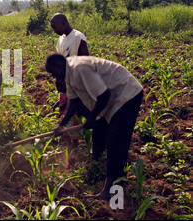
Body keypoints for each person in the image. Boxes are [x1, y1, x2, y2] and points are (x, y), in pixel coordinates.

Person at [45, 54, 143, 200]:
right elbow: (73, 101)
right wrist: (61, 125)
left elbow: (104, 95)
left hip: (126, 94)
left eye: (53, 74)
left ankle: (109, 189)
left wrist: (91, 118)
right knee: (99, 132)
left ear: (59, 66)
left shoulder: (80, 68)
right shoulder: (69, 72)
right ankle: (96, 169)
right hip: (112, 100)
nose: (55, 78)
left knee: (116, 141)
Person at [50, 13, 89, 137]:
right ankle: (68, 143)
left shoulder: (78, 38)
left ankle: (75, 146)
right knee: (64, 110)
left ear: (64, 24)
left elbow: (86, 62)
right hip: (64, 82)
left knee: (73, 112)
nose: (54, 31)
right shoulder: (60, 40)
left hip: (76, 82)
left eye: (55, 27)